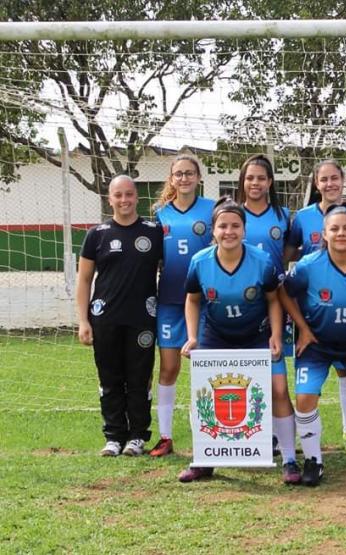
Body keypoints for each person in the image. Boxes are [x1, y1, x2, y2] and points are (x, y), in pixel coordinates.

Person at [176, 198, 286, 483]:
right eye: (222, 226)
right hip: (216, 336)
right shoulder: (200, 262)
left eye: (235, 225)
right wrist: (192, 336)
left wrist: (275, 334)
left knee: (279, 389)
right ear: (213, 230)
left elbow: (274, 300)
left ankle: (289, 458)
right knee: (203, 393)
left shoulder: (262, 261)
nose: (229, 231)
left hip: (256, 335)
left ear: (244, 230)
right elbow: (192, 300)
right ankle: (204, 458)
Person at [281, 206, 346, 485]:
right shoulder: (308, 265)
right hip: (316, 343)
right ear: (324, 234)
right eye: (334, 229)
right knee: (305, 399)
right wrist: (302, 329)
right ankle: (313, 460)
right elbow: (284, 293)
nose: (341, 233)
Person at [77, 175, 163, 457]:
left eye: (129, 194)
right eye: (118, 195)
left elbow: (170, 270)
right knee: (110, 378)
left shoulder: (154, 232)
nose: (124, 200)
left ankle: (137, 436)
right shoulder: (97, 234)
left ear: (137, 197)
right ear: (110, 199)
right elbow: (84, 280)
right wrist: (83, 320)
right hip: (105, 318)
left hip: (142, 319)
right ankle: (114, 436)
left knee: (139, 378)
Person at [288, 159, 346, 453]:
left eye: (335, 178)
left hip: (345, 303)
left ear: (343, 180)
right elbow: (290, 254)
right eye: (324, 180)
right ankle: (304, 440)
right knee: (308, 370)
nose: (330, 184)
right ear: (316, 184)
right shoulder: (303, 218)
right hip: (312, 305)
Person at [233, 154, 299, 479]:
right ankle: (250, 437)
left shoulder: (283, 216)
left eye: (261, 178)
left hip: (275, 303)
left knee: (277, 376)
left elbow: (288, 253)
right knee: (246, 374)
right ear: (242, 182)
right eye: (250, 178)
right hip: (241, 308)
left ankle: (279, 439)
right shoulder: (232, 217)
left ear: (270, 182)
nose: (255, 183)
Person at [150, 155, 214, 457]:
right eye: (179, 174)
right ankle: (165, 437)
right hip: (170, 302)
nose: (184, 178)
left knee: (204, 370)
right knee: (169, 367)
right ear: (171, 179)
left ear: (198, 177)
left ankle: (209, 434)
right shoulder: (160, 215)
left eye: (189, 173)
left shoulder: (213, 209)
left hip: (206, 302)